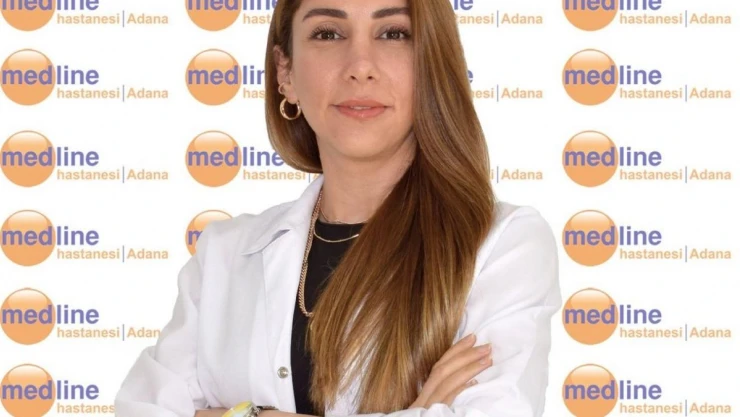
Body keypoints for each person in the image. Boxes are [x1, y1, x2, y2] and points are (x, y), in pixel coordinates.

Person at [114, 0, 561, 416]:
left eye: (393, 34)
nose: (360, 67)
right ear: (285, 73)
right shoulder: (224, 254)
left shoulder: (504, 245)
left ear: (432, 64)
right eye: (328, 34)